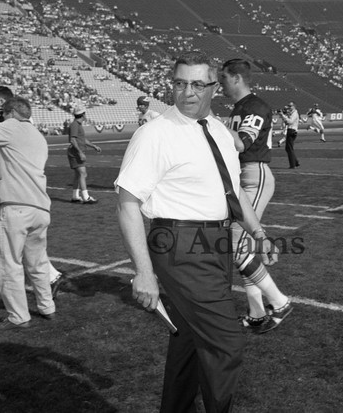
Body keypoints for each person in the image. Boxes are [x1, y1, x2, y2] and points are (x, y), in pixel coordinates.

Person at [116, 51, 278, 412]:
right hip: (179, 245)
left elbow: (233, 192)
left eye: (196, 84)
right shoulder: (155, 134)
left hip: (217, 243)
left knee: (189, 339)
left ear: (213, 88)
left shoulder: (220, 131)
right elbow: (127, 204)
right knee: (226, 342)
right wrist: (143, 272)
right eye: (179, 83)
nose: (186, 92)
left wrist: (258, 231)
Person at [220, 58, 292, 333]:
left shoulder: (255, 106)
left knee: (237, 242)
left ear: (237, 78)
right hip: (241, 176)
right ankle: (257, 312)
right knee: (243, 247)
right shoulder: (241, 107)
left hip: (254, 175)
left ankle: (279, 301)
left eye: (224, 77)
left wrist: (211, 124)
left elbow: (241, 143)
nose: (221, 84)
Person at [0, 86, 64, 298]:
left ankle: (22, 311)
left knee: (14, 253)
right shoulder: (21, 127)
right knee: (29, 248)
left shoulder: (11, 127)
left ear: (3, 103)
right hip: (32, 198)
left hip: (18, 195)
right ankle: (47, 289)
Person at [67, 105, 102, 204]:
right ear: (82, 115)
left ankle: (75, 196)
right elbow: (73, 140)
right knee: (83, 173)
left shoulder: (77, 125)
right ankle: (86, 197)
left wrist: (93, 146)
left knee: (78, 174)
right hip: (75, 153)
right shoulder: (75, 125)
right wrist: (80, 152)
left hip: (75, 153)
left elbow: (82, 139)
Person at [281, 102, 300, 168]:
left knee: (289, 148)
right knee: (289, 148)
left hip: (292, 130)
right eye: (289, 106)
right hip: (291, 130)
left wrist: (283, 116)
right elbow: (287, 122)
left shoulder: (294, 113)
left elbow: (290, 122)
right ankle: (295, 162)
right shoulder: (292, 113)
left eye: (290, 106)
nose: (289, 107)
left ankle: (293, 164)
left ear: (294, 106)